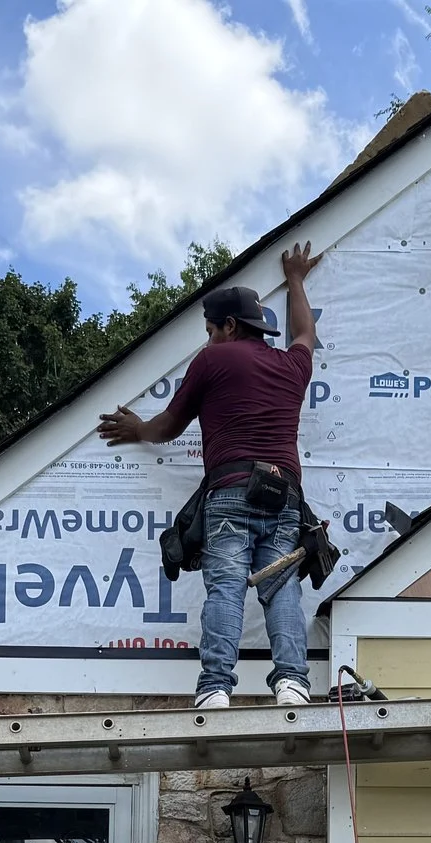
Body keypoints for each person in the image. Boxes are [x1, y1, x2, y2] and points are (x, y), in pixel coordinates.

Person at [97, 242, 322, 709]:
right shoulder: (292, 366)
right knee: (282, 587)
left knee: (226, 588)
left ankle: (216, 688)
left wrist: (137, 429)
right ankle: (293, 684)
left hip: (231, 490)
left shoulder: (212, 361)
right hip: (284, 496)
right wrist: (297, 280)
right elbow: (304, 333)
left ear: (230, 326)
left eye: (210, 329)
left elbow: (169, 425)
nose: (208, 339)